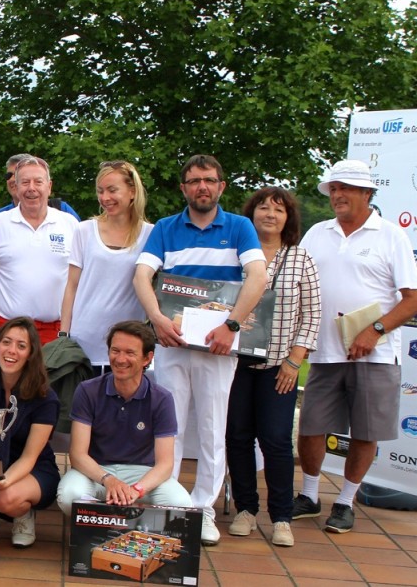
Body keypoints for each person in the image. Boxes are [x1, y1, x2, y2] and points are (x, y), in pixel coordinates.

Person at [132, 155, 267, 546]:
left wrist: (232, 325)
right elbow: (142, 274)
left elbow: (257, 276)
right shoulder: (166, 229)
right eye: (194, 181)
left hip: (219, 347)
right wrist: (156, 318)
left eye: (209, 180)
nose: (202, 187)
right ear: (183, 188)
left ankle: (202, 510)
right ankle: (168, 505)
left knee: (211, 429)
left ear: (221, 186)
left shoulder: (240, 227)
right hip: (172, 342)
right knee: (168, 429)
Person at [294, 160, 417, 533]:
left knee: (365, 431)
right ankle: (311, 495)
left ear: (367, 193)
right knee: (310, 426)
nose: (337, 195)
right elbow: (295, 282)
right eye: (333, 189)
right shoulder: (317, 232)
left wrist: (374, 331)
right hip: (323, 350)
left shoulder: (391, 235)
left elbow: (411, 298)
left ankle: (345, 502)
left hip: (375, 354)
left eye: (345, 188)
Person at [224, 187, 320, 548]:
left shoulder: (301, 258)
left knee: (277, 441)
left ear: (288, 218)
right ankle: (246, 509)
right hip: (234, 364)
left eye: (278, 210)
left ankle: (281, 516)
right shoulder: (236, 256)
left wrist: (295, 361)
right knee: (237, 437)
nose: (270, 214)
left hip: (280, 367)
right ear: (250, 214)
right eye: (262, 207)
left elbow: (312, 315)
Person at [56, 321, 192, 516]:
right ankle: (116, 522)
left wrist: (136, 490)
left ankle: (114, 519)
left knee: (181, 504)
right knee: (70, 496)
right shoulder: (88, 390)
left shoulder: (162, 398)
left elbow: (165, 464)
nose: (120, 359)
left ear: (147, 358)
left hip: (142, 472)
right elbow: (77, 455)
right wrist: (109, 480)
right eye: (115, 350)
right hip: (97, 471)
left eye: (130, 353)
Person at [0, 317, 60, 554]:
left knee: (5, 498)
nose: (11, 351)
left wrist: (3, 481)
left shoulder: (46, 398)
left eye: (21, 346)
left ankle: (24, 515)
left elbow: (29, 457)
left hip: (34, 466)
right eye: (6, 342)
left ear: (31, 354)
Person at [60, 160, 153, 377]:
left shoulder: (150, 234)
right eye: (100, 191)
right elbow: (71, 286)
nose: (105, 198)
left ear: (132, 191)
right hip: (84, 341)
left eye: (112, 190)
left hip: (128, 345)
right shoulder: (84, 230)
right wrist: (64, 334)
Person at [0, 157, 78, 346]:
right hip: (7, 329)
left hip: (56, 330)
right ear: (15, 187)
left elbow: (81, 276)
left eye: (38, 182)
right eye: (25, 182)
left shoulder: (70, 224)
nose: (31, 188)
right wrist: (4, 292)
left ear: (49, 186)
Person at [0, 153, 80, 220]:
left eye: (38, 181)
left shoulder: (64, 213)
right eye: (9, 175)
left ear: (49, 186)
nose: (13, 179)